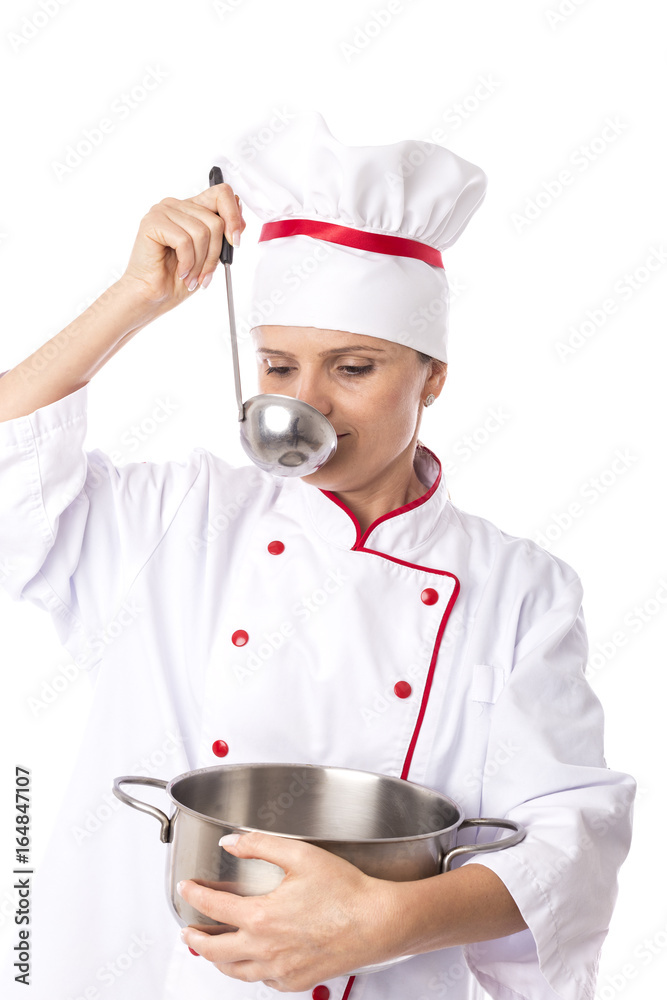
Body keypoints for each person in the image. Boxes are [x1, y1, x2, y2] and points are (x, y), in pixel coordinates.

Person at [0, 110, 635, 1000]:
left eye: (353, 368)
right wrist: (133, 297)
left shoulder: (520, 587)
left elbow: (570, 838)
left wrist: (386, 920)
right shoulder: (178, 516)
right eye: (277, 367)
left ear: (433, 375)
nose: (307, 407)